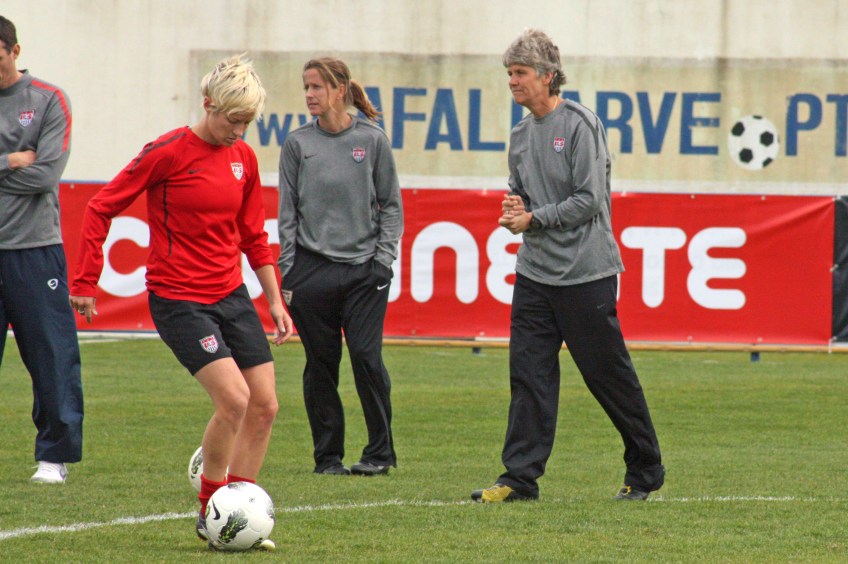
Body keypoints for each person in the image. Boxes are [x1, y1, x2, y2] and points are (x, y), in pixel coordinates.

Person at [70, 54, 292, 548]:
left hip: (231, 294)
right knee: (234, 400)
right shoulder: (167, 152)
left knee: (264, 406)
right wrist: (85, 280)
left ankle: (240, 513)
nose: (239, 131)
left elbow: (253, 235)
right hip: (179, 300)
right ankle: (211, 513)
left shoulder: (243, 158)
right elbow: (101, 207)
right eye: (232, 120)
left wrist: (274, 300)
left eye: (248, 122)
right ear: (208, 104)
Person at [471, 29, 664, 503]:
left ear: (547, 76)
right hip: (535, 273)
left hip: (585, 273)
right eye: (509, 73)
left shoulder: (580, 124)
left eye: (520, 72)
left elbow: (589, 199)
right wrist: (516, 207)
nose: (512, 81)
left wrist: (534, 218)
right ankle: (519, 479)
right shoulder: (520, 134)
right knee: (529, 375)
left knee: (608, 377)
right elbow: (522, 191)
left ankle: (645, 470)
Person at [278, 57, 403, 477]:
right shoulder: (297, 144)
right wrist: (290, 269)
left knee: (366, 357)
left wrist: (382, 261)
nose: (309, 94)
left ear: (339, 90)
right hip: (311, 272)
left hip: (365, 272)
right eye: (306, 86)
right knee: (320, 364)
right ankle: (327, 458)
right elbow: (287, 214)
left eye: (316, 86)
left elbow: (391, 206)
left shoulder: (372, 141)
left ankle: (379, 454)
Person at [0, 15, 83, 485]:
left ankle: (54, 457)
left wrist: (23, 168)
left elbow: (46, 174)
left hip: (34, 249)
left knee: (51, 357)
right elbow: (26, 171)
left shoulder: (49, 99)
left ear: (14, 50)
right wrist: (10, 160)